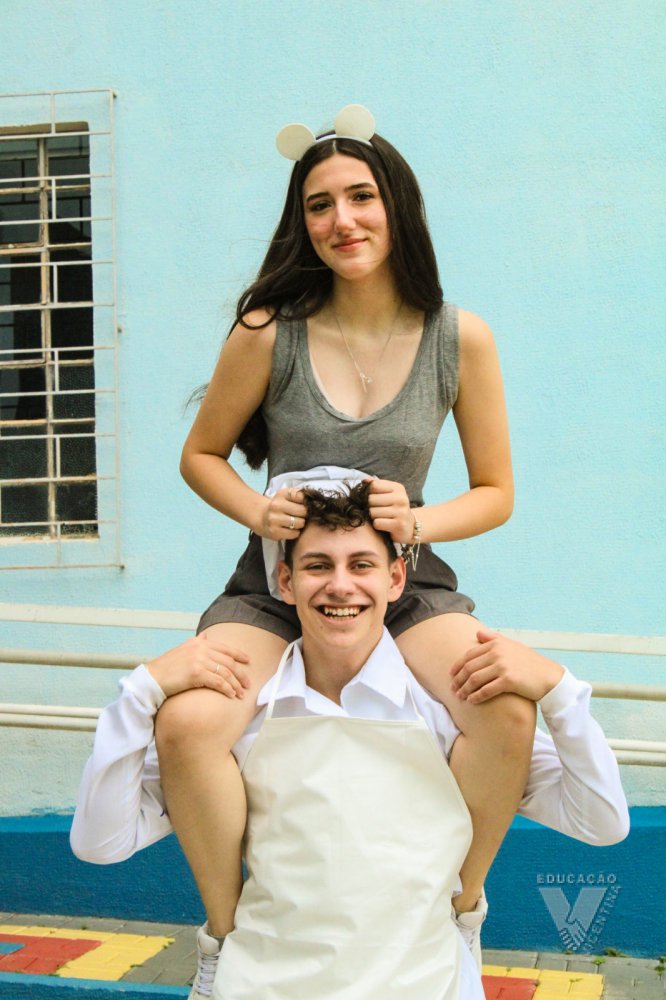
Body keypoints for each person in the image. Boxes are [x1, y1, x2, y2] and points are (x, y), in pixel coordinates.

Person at [163, 102, 527, 975]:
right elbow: (201, 456)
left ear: (396, 206)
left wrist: (418, 524)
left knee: (505, 709)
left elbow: (497, 493)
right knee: (188, 724)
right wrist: (259, 514)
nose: (342, 221)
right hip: (277, 582)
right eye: (319, 205)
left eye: (360, 197)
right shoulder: (268, 331)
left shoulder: (460, 338)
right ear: (304, 223)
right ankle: (224, 938)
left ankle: (462, 910)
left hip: (405, 580)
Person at [70, 485, 629, 999]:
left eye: (361, 564)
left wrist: (559, 690)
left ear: (395, 580)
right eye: (318, 565)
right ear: (285, 582)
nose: (340, 585)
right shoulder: (243, 720)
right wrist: (140, 692)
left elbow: (603, 823)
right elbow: (101, 843)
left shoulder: (446, 716)